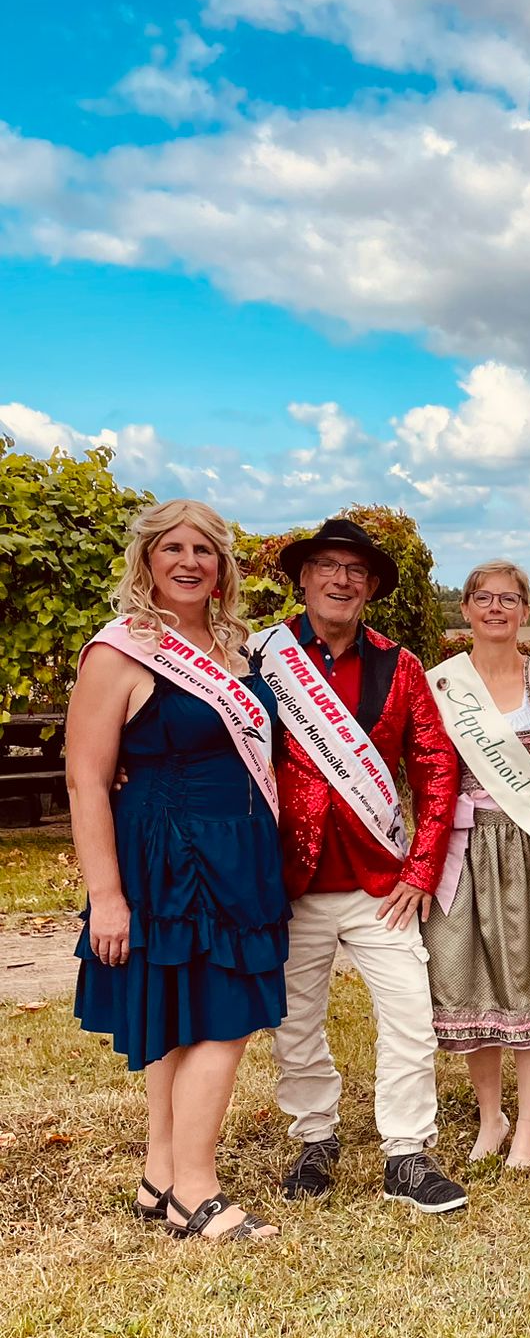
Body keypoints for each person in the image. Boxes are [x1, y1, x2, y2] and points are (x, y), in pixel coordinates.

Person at [68, 499, 287, 1241]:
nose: (190, 561)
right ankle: (199, 1190)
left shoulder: (235, 649)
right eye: (174, 548)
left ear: (222, 565)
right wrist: (106, 896)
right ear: (148, 561)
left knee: (190, 1020)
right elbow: (85, 780)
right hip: (170, 858)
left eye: (205, 549)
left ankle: (161, 1177)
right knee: (225, 1019)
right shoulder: (122, 649)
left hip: (238, 854)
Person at [250, 517, 467, 1214]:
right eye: (328, 567)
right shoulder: (258, 659)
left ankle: (406, 1154)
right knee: (296, 1020)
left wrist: (421, 870)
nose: (341, 580)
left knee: (410, 1016)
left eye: (356, 571)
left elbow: (435, 768)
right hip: (290, 880)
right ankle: (315, 1140)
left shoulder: (398, 666)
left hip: (382, 884)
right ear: (304, 578)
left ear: (370, 587)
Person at [423, 561, 530, 1171]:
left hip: (529, 843)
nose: (496, 608)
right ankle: (492, 1117)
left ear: (525, 611)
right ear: (464, 609)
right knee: (470, 978)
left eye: (509, 599)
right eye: (483, 599)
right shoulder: (439, 684)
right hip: (461, 847)